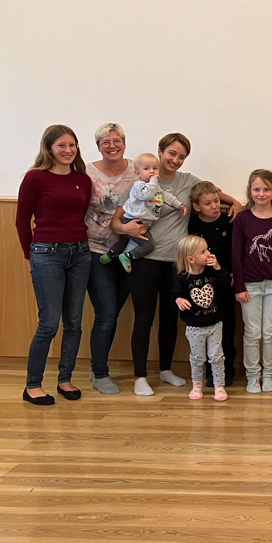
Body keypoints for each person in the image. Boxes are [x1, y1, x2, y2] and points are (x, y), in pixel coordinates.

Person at [111, 133, 239, 396]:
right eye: (172, 153)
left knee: (171, 317)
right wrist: (125, 228)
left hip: (176, 263)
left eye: (182, 156)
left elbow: (214, 193)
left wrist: (236, 202)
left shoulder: (188, 181)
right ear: (160, 151)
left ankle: (165, 369)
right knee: (144, 318)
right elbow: (116, 222)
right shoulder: (140, 182)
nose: (176, 160)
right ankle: (140, 376)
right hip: (144, 260)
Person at [15, 124, 93, 405]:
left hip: (80, 253)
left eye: (72, 145)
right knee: (48, 323)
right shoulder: (35, 178)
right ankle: (33, 385)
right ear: (49, 148)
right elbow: (22, 221)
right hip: (47, 254)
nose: (68, 150)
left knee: (74, 323)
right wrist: (32, 253)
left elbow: (80, 215)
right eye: (61, 145)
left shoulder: (82, 180)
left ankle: (65, 379)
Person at [84, 123, 136, 395]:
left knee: (113, 312)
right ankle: (100, 372)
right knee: (105, 312)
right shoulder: (86, 172)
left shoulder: (138, 170)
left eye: (117, 141)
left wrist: (229, 199)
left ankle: (97, 367)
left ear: (124, 144)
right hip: (95, 251)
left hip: (128, 253)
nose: (112, 146)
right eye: (106, 142)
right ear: (98, 147)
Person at [231, 169, 272, 394]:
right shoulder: (243, 219)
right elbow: (236, 255)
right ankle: (253, 377)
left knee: (270, 332)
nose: (261, 194)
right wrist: (239, 287)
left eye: (266, 189)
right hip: (249, 285)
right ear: (250, 191)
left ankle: (268, 375)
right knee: (252, 333)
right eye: (257, 189)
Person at [101, 153, 187, 272]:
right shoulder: (138, 186)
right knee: (148, 246)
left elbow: (165, 195)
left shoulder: (155, 187)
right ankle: (127, 256)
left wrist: (179, 205)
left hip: (141, 221)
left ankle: (109, 255)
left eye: (155, 168)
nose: (152, 171)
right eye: (146, 169)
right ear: (138, 173)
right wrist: (153, 181)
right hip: (131, 220)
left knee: (124, 240)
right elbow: (146, 195)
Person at [188, 180, 237, 387]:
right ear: (197, 206)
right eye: (208, 203)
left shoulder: (229, 221)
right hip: (200, 283)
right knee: (205, 327)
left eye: (217, 201)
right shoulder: (192, 224)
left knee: (227, 327)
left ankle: (227, 370)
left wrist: (233, 274)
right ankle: (208, 372)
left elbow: (236, 250)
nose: (215, 206)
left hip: (225, 280)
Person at [172, 235, 231, 402]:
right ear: (191, 259)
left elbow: (226, 286)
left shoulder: (212, 272)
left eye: (208, 249)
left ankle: (219, 386)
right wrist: (178, 300)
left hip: (215, 324)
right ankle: (197, 385)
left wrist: (218, 268)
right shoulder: (181, 278)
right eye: (203, 251)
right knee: (197, 358)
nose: (209, 254)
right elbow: (174, 297)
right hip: (194, 327)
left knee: (217, 357)